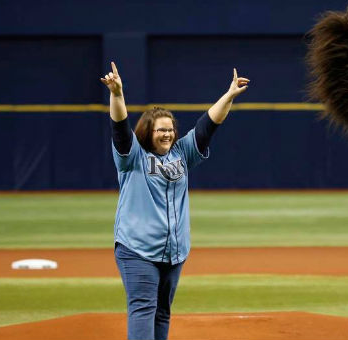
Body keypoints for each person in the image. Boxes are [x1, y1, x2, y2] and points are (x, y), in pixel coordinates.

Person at [100, 61, 249, 340]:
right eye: (161, 130)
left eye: (170, 129)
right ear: (148, 132)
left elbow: (208, 125)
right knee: (143, 307)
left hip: (174, 251)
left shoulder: (181, 153)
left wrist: (228, 96)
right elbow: (120, 128)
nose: (167, 134)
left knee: (162, 312)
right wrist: (117, 94)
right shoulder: (132, 157)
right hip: (138, 250)